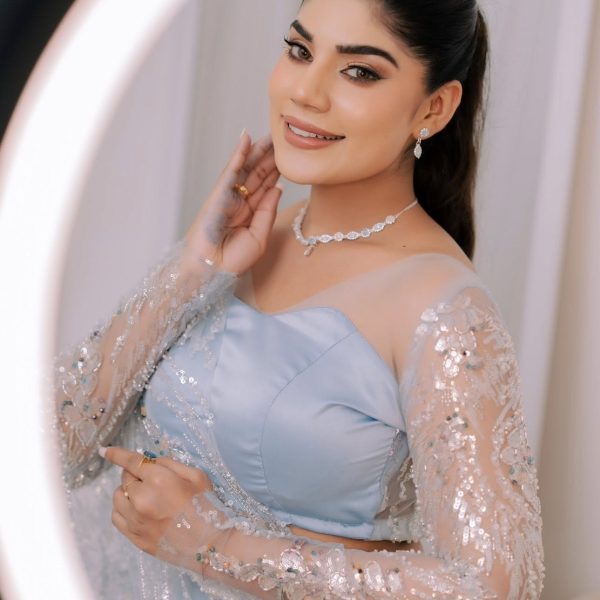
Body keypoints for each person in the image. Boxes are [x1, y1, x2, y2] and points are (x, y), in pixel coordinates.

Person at [53, 0, 545, 598]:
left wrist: (214, 543)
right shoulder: (242, 239)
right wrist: (191, 270)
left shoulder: (444, 312)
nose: (306, 92)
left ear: (433, 108)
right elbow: (53, 450)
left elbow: (492, 586)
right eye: (300, 50)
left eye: (359, 71)